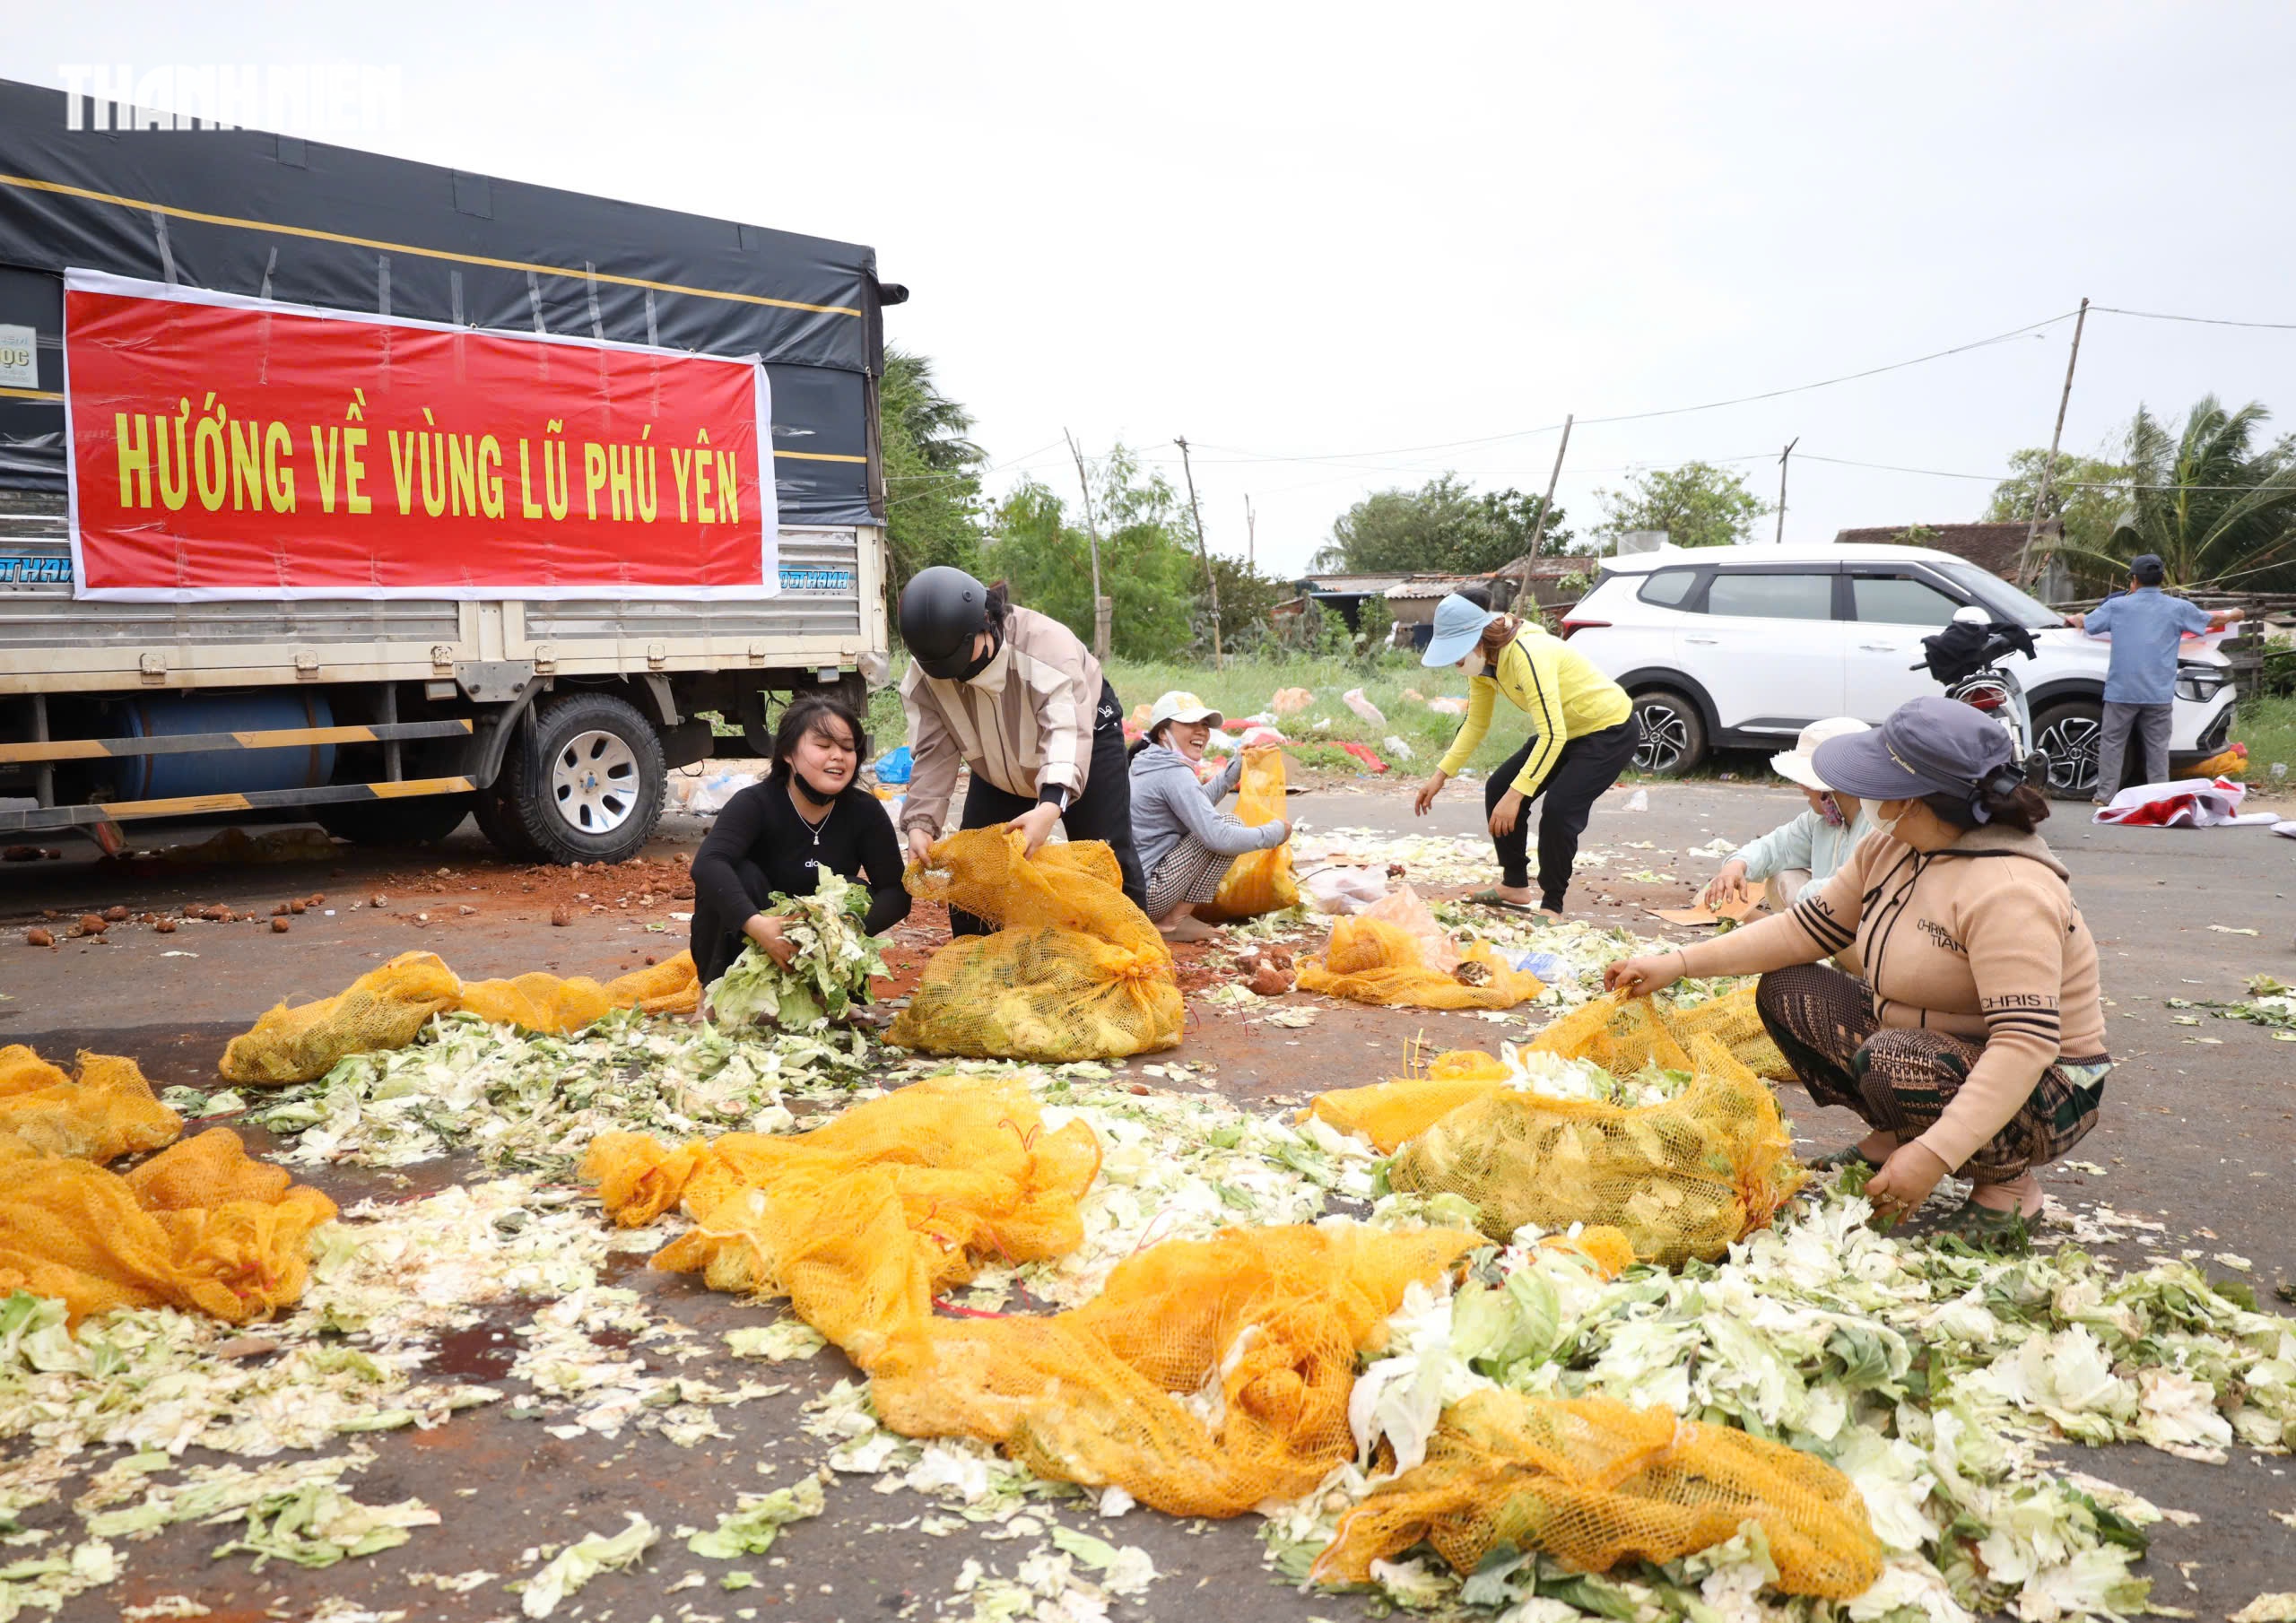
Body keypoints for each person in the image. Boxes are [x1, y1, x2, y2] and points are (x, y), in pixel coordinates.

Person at [1605, 696, 2109, 1247]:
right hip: (1932, 1046)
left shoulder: (2011, 889)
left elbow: (2024, 1044)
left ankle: (2007, 1187)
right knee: (1790, 988)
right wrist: (1676, 965)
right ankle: (1896, 1135)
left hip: (2048, 1087)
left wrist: (1934, 1156)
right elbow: (1802, 933)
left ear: (1915, 799)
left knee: (1899, 1057)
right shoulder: (1891, 846)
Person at [896, 567, 1145, 931]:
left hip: (1082, 735)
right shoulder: (928, 674)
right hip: (996, 760)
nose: (956, 674)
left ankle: (1132, 960)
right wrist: (920, 823)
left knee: (1105, 856)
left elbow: (1065, 733)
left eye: (960, 659)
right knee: (977, 869)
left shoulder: (1047, 648)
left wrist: (1049, 807)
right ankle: (981, 966)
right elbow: (934, 751)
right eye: (943, 668)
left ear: (985, 623)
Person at [1411, 592, 1637, 916]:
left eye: (1458, 654)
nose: (1456, 663)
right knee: (1498, 788)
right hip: (1564, 732)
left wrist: (1518, 795)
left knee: (1559, 810)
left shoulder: (1527, 653)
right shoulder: (1484, 663)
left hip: (1607, 730)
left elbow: (1552, 734)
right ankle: (1514, 884)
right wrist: (1439, 775)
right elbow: (1476, 722)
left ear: (1479, 637)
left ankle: (1552, 904)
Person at [688, 692, 909, 988]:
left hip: (824, 952)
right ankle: (716, 993)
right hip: (756, 939)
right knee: (734, 876)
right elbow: (707, 864)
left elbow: (896, 891)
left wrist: (839, 930)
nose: (838, 756)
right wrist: (757, 925)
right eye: (823, 745)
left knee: (854, 892)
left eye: (847, 747)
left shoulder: (864, 811)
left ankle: (829, 999)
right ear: (788, 754)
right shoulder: (755, 803)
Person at [2064, 553, 2243, 803]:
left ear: (2134, 580)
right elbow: (2214, 620)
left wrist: (2075, 618)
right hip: (2158, 693)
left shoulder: (2117, 606)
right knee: (2157, 746)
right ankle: (2158, 797)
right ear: (2161, 580)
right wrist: (2235, 614)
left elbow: (2088, 623)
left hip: (2121, 691)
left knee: (2113, 743)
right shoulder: (2177, 608)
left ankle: (2105, 796)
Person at [1128, 690, 1292, 942]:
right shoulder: (1173, 773)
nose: (1201, 732)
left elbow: (1195, 804)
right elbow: (1219, 838)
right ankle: (1170, 923)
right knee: (1227, 825)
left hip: (1136, 892)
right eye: (1189, 724)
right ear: (1163, 732)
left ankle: (1172, 919)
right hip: (1150, 896)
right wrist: (1274, 833)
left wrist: (1232, 770)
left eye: (1204, 725)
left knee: (1213, 826)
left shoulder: (1149, 762)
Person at [1704, 716, 1879, 916]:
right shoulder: (1819, 820)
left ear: (1828, 789)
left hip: (1865, 928)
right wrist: (1736, 865)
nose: (1801, 786)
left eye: (1805, 780)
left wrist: (1796, 906)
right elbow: (1776, 848)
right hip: (1820, 919)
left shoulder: (1878, 824)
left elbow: (1849, 887)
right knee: (1782, 877)